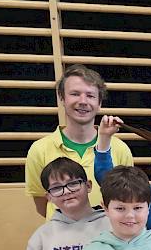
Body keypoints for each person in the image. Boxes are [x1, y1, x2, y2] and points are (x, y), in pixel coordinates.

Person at [25, 64, 133, 218]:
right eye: (75, 94)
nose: (83, 101)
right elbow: (41, 201)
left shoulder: (120, 148)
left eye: (90, 95)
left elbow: (127, 199)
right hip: (60, 238)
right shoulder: (39, 149)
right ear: (62, 98)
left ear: (99, 103)